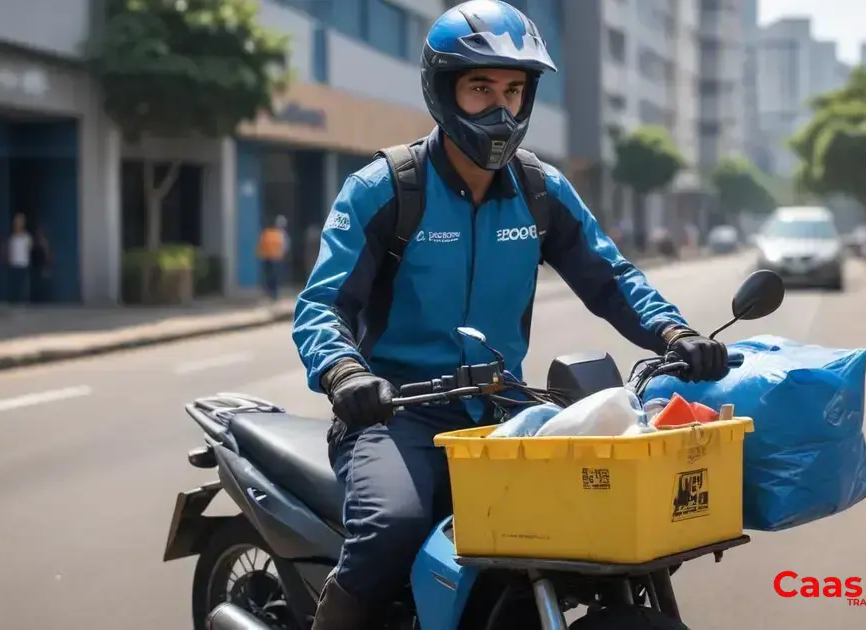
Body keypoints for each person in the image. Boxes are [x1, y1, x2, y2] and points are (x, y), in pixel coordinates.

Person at [293, 3, 730, 628]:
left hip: (503, 410)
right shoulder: (385, 188)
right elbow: (323, 305)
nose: (500, 110)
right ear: (443, 91)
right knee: (394, 525)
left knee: (591, 516)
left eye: (513, 91)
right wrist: (343, 374)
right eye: (480, 89)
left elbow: (611, 278)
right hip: (396, 414)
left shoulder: (539, 190)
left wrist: (674, 332)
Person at [256, 215, 288, 301]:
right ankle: (273, 294)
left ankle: (271, 294)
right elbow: (285, 247)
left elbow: (261, 246)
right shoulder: (280, 234)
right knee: (273, 277)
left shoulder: (267, 233)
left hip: (269, 258)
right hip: (276, 259)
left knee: (270, 277)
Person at [3, 214, 32, 306]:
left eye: (21, 222)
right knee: (13, 284)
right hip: (13, 263)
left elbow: (29, 249)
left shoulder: (26, 237)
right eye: (17, 222)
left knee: (23, 285)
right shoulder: (11, 237)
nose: (19, 224)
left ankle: (23, 301)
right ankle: (13, 301)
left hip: (23, 264)